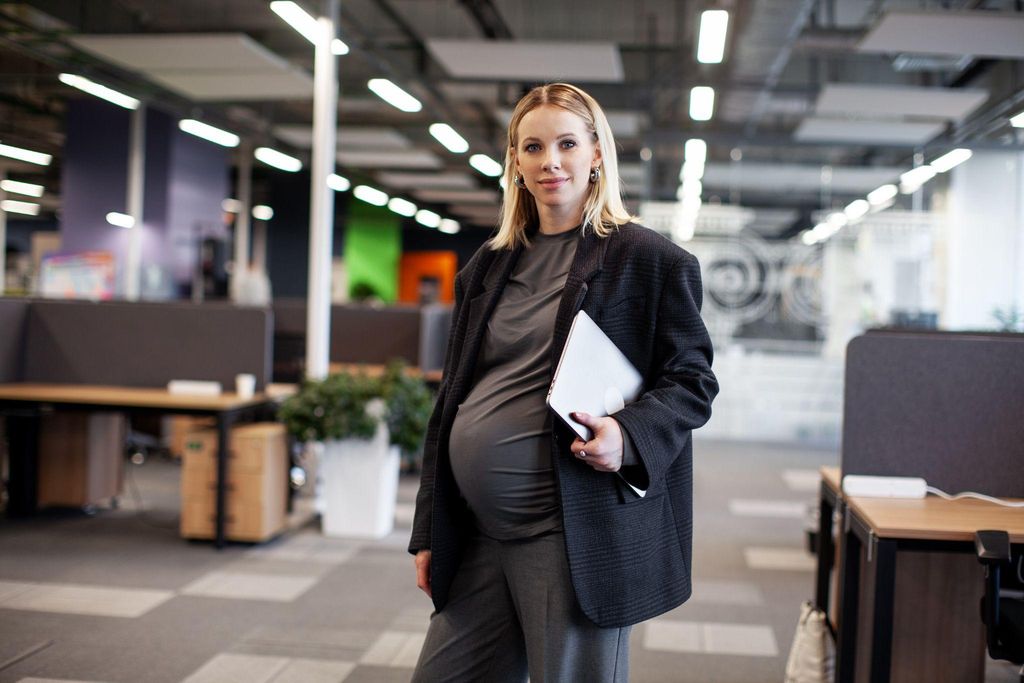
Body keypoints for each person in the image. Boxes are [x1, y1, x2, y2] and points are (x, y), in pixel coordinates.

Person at [408, 82, 718, 682]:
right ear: (515, 165)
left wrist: (627, 437)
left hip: (567, 533)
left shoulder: (648, 260)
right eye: (533, 147)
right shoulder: (488, 267)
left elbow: (692, 381)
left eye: (567, 143)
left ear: (597, 153)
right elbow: (451, 405)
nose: (550, 161)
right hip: (478, 534)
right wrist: (430, 528)